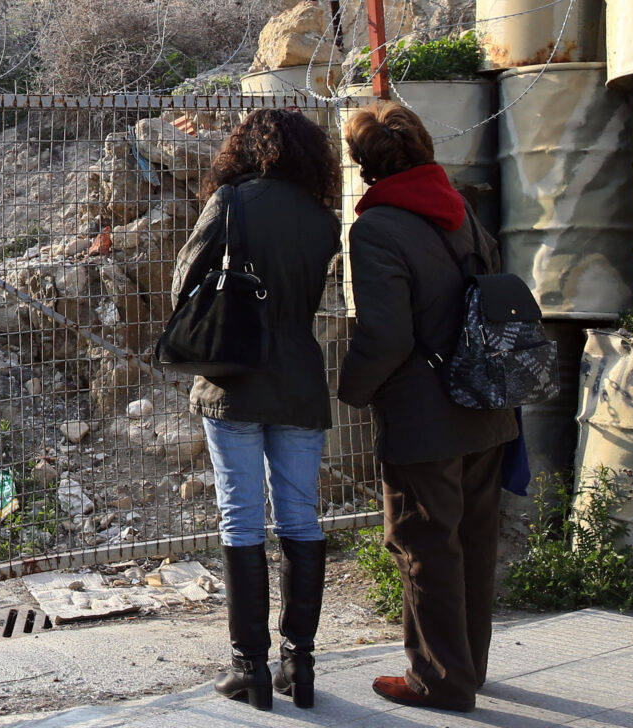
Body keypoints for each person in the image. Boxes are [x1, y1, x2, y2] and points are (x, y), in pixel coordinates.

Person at [337, 101, 517, 712]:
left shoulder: (378, 228)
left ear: (364, 164)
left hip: (425, 419)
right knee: (473, 540)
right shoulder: (460, 208)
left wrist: (351, 391)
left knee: (423, 547)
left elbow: (386, 336)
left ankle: (438, 680)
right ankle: (468, 667)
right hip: (487, 406)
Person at [171, 108, 341, 711]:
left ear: (246, 148)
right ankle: (301, 662)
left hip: (234, 381)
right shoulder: (322, 220)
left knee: (240, 520)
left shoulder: (232, 200)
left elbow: (182, 282)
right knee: (301, 520)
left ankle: (250, 668)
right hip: (299, 381)